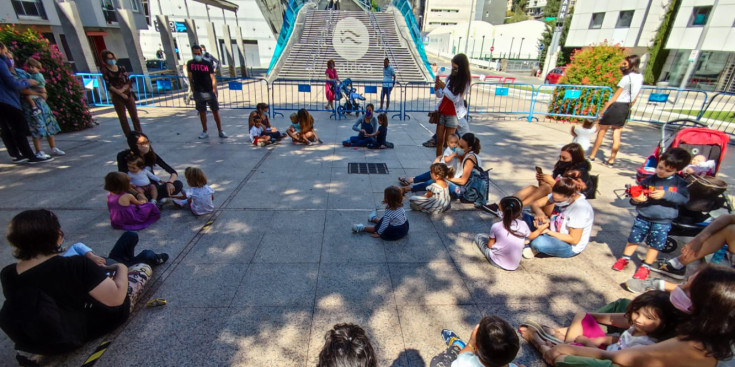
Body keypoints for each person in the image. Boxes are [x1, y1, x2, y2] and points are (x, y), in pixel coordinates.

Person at [0, 210, 152, 355]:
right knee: (140, 268)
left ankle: (120, 258)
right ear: (54, 235)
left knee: (107, 262)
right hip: (89, 326)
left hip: (41, 338)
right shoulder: (75, 265)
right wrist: (122, 268)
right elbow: (117, 299)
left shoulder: (8, 273)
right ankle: (133, 261)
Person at [538, 264, 735, 367]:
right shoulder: (714, 324)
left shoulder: (693, 346)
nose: (677, 288)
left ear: (703, 307)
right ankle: (565, 333)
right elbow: (631, 318)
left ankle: (551, 342)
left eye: (686, 288)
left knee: (565, 359)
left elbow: (618, 357)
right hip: (633, 347)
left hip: (626, 359)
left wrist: (571, 349)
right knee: (626, 305)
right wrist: (588, 316)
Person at [612, 148, 691, 280]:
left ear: (677, 170)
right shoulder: (649, 180)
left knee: (654, 245)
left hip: (663, 221)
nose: (662, 172)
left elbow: (684, 199)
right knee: (633, 239)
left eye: (668, 170)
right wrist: (635, 199)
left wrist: (666, 194)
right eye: (660, 167)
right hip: (643, 216)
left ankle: (646, 266)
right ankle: (624, 258)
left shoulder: (679, 183)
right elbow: (636, 195)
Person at [532, 290, 680, 353]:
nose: (639, 320)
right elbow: (620, 340)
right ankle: (566, 345)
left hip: (603, 358)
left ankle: (548, 346)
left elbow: (610, 358)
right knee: (582, 315)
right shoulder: (638, 328)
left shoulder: (646, 344)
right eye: (636, 313)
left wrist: (586, 342)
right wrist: (602, 339)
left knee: (560, 356)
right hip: (602, 349)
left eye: (649, 318)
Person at [485, 143, 592, 214]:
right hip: (551, 200)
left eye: (565, 158)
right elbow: (544, 190)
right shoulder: (561, 168)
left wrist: (552, 183)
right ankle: (503, 206)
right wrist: (541, 180)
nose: (561, 160)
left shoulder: (578, 174)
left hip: (562, 207)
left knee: (547, 188)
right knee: (533, 188)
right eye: (560, 157)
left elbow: (570, 195)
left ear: (575, 159)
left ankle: (514, 210)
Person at [588, 55, 643, 167]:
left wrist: (602, 111)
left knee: (602, 132)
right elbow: (636, 96)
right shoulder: (640, 77)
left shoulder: (626, 78)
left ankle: (592, 155)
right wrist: (629, 106)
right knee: (617, 134)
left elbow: (614, 97)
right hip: (625, 107)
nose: (623, 66)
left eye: (625, 64)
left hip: (616, 106)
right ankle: (611, 160)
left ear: (631, 64)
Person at [0, 42, 49, 163]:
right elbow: (13, 83)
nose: (7, 56)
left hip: (4, 100)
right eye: (5, 52)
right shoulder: (1, 64)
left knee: (7, 128)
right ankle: (29, 156)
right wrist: (28, 83)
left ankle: (16, 155)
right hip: (7, 100)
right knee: (19, 128)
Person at [522, 177, 595, 259]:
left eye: (559, 201)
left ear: (572, 196)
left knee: (538, 242)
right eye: (553, 199)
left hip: (567, 245)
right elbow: (535, 204)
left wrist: (547, 231)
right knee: (520, 215)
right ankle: (529, 240)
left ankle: (529, 242)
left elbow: (574, 239)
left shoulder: (580, 210)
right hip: (551, 230)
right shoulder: (558, 195)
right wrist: (540, 213)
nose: (555, 202)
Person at [12, 57, 64, 160]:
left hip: (41, 104)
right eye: (29, 67)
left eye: (33, 67)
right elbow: (24, 90)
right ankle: (39, 151)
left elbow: (39, 88)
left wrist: (40, 92)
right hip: (34, 106)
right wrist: (39, 93)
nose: (31, 68)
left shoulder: (36, 77)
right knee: (36, 128)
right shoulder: (23, 76)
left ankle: (53, 147)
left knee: (49, 126)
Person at [116, 131, 184, 200]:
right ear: (134, 145)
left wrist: (170, 182)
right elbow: (122, 180)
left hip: (152, 188)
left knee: (178, 184)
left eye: (147, 142)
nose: (146, 145)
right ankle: (152, 201)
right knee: (125, 193)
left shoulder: (150, 155)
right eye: (142, 143)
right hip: (135, 189)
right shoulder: (123, 156)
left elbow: (173, 172)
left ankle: (152, 200)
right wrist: (137, 194)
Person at [432, 316, 521, 367]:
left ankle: (457, 345)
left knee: (437, 362)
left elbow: (464, 354)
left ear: (476, 346)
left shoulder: (465, 363)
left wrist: (471, 342)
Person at [473, 196, 530, 271]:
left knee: (479, 236)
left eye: (499, 209)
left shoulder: (496, 226)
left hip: (497, 261)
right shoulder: (523, 224)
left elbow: (490, 246)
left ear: (502, 211)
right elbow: (529, 236)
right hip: (515, 265)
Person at [434, 54, 471, 158]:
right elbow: (441, 95)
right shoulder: (449, 78)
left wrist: (444, 87)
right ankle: (438, 163)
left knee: (449, 143)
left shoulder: (465, 81)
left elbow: (455, 98)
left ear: (462, 68)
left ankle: (448, 165)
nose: (453, 70)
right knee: (439, 141)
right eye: (452, 67)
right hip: (442, 111)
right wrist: (437, 88)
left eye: (455, 68)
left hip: (453, 114)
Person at [62, 232, 168, 267]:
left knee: (130, 234)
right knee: (147, 254)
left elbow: (77, 246)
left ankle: (130, 259)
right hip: (118, 270)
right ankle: (156, 259)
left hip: (111, 259)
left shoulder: (61, 259)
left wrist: (91, 256)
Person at [187, 45, 227, 139]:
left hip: (209, 91)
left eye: (198, 53)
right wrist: (193, 90)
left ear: (201, 53)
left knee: (215, 111)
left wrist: (214, 90)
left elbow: (213, 77)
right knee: (202, 112)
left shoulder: (207, 63)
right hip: (198, 92)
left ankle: (220, 130)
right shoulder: (190, 64)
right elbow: (190, 77)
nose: (197, 55)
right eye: (195, 53)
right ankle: (205, 131)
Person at [100, 50, 142, 136]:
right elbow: (108, 85)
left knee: (135, 116)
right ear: (105, 60)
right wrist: (120, 93)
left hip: (127, 94)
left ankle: (139, 134)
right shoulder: (105, 70)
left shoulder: (121, 68)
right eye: (108, 59)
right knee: (123, 118)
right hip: (116, 96)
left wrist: (123, 90)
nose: (111, 60)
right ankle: (129, 136)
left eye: (112, 58)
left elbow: (127, 81)